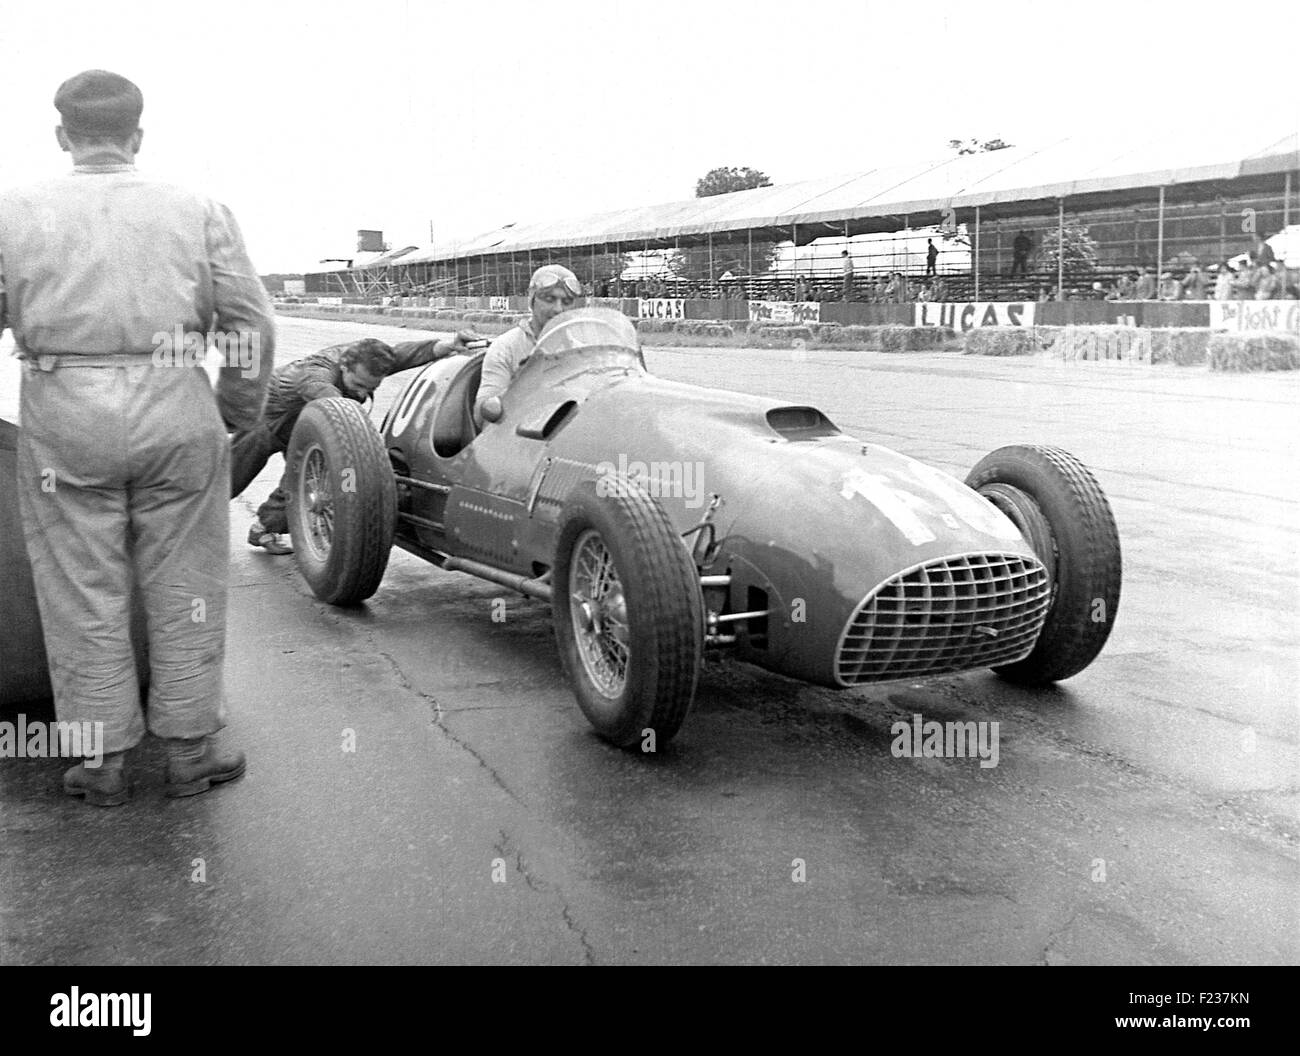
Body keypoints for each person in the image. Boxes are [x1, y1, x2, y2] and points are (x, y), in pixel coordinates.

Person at [0, 70, 276, 805]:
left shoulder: (13, 211)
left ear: (64, 137)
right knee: (187, 587)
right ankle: (189, 756)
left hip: (64, 418)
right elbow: (249, 325)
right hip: (176, 407)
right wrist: (232, 413)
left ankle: (100, 766)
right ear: (138, 137)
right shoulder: (196, 207)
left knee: (80, 592)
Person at [231, 331, 479, 552]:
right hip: (265, 421)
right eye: (358, 385)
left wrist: (446, 345)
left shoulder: (367, 362)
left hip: (306, 425)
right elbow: (335, 408)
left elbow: (401, 354)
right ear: (344, 368)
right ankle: (193, 515)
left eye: (370, 388)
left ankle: (263, 529)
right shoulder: (314, 374)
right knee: (229, 479)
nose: (362, 393)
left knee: (306, 483)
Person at [475, 264, 582, 423]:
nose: (558, 309)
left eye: (566, 301)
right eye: (549, 299)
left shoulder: (581, 351)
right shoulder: (504, 348)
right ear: (532, 302)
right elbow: (483, 415)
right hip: (518, 437)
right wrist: (521, 383)